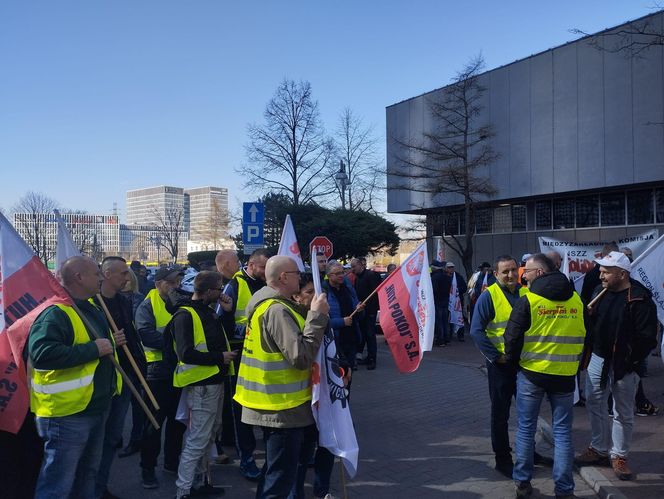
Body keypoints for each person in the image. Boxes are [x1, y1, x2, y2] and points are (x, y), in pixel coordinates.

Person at [234, 255, 329, 498]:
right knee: (279, 479)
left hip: (278, 405)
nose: (301, 277)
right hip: (282, 407)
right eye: (297, 273)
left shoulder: (273, 305)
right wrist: (317, 317)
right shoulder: (275, 310)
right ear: (284, 277)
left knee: (275, 472)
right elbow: (301, 357)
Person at [29, 256, 124, 499]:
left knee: (87, 475)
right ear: (79, 278)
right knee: (57, 483)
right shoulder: (56, 313)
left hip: (94, 407)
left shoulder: (90, 308)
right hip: (67, 414)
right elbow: (41, 353)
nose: (101, 277)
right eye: (96, 273)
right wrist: (93, 349)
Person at [503, 253, 586, 499]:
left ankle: (523, 482)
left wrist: (515, 362)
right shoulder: (577, 300)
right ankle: (564, 489)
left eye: (525, 271)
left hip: (531, 374)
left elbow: (512, 338)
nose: (522, 276)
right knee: (562, 433)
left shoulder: (529, 300)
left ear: (538, 273)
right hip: (565, 376)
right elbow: (586, 335)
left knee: (526, 429)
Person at [575, 251, 658, 480]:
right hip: (599, 357)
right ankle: (598, 448)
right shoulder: (598, 293)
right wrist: (588, 316)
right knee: (594, 401)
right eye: (600, 270)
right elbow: (592, 327)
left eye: (605, 271)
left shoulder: (640, 298)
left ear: (622, 274)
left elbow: (647, 337)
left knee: (622, 410)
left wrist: (632, 360)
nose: (600, 275)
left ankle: (619, 455)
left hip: (625, 364)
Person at [170, 271, 237, 499]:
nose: (222, 293)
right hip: (201, 385)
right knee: (197, 440)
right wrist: (220, 358)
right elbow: (185, 353)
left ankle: (201, 482)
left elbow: (221, 337)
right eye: (219, 289)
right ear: (209, 291)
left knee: (207, 437)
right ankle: (183, 491)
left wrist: (227, 314)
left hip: (213, 382)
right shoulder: (185, 315)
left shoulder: (207, 312)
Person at [469, 255, 528, 478]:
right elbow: (476, 331)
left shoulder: (526, 292)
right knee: (501, 414)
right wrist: (496, 356)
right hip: (501, 366)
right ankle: (503, 458)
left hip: (524, 364)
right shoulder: (489, 296)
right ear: (496, 274)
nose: (511, 275)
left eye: (513, 270)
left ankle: (529, 452)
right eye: (505, 272)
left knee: (527, 413)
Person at [94, 256, 147, 499]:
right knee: (97, 439)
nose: (128, 278)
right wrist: (108, 343)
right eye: (123, 273)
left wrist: (139, 366)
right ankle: (90, 488)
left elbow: (132, 336)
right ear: (107, 274)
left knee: (113, 437)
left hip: (126, 375)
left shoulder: (125, 301)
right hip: (102, 380)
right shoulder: (91, 304)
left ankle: (101, 487)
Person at [220, 248, 269, 480]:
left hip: (262, 356)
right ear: (251, 265)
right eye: (262, 267)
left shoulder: (266, 284)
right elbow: (221, 320)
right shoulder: (235, 284)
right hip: (239, 354)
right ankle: (246, 459)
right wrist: (251, 331)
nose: (265, 271)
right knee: (241, 409)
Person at [136, 264, 186, 488]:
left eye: (178, 281)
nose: (177, 286)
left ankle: (171, 462)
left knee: (177, 423)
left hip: (179, 371)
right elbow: (146, 335)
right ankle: (148, 469)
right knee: (154, 425)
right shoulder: (147, 305)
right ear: (159, 284)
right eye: (172, 282)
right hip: (156, 373)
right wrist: (177, 344)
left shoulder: (180, 303)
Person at [324, 261, 363, 369]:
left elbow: (358, 312)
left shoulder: (348, 288)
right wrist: (342, 322)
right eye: (337, 274)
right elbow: (321, 321)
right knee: (339, 374)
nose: (341, 276)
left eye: (342, 272)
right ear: (329, 276)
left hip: (352, 338)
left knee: (349, 374)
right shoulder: (324, 292)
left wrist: (359, 309)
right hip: (335, 341)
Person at [350, 257, 382, 369]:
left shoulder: (371, 275)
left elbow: (374, 294)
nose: (352, 269)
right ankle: (368, 357)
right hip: (361, 311)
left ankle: (372, 359)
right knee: (364, 334)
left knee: (370, 335)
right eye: (351, 267)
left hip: (369, 311)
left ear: (360, 265)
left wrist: (372, 311)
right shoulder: (358, 278)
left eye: (354, 266)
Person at [430, 260, 452, 347]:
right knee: (444, 320)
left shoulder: (435, 277)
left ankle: (440, 339)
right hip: (445, 300)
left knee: (439, 321)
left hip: (437, 300)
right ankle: (446, 339)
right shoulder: (446, 276)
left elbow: (434, 290)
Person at [445, 262, 467, 341]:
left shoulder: (458, 276)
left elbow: (464, 287)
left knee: (459, 317)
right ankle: (449, 335)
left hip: (458, 301)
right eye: (449, 267)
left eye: (452, 267)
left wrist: (457, 290)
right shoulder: (444, 277)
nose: (451, 269)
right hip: (448, 301)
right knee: (449, 317)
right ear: (446, 268)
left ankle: (460, 335)